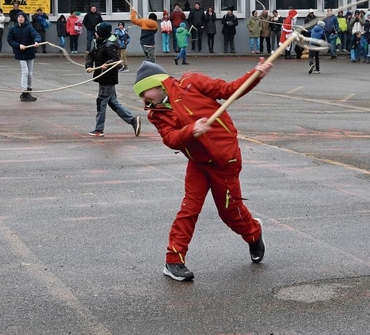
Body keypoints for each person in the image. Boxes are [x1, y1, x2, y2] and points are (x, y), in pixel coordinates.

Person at [132, 57, 272, 281]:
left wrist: (256, 75)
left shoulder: (192, 82)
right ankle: (174, 260)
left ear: (156, 86)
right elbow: (171, 139)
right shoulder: (156, 114)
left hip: (225, 161)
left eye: (144, 93)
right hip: (198, 163)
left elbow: (229, 90)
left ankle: (253, 233)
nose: (143, 99)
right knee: (189, 209)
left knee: (230, 213)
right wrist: (191, 130)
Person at [85, 22, 141, 137]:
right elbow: (90, 55)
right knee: (112, 102)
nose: (95, 34)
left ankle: (99, 129)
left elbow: (115, 59)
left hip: (108, 78)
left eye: (97, 32)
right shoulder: (98, 43)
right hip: (101, 76)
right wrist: (89, 65)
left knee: (101, 101)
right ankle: (133, 120)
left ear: (101, 33)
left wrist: (107, 64)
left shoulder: (110, 45)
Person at [7, 11, 41, 101]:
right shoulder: (13, 29)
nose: (20, 18)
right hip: (20, 53)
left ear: (25, 18)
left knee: (30, 73)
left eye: (22, 17)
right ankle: (24, 92)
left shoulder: (29, 27)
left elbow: (36, 35)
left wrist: (36, 41)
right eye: (19, 17)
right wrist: (18, 45)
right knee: (25, 71)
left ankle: (29, 90)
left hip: (30, 52)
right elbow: (10, 40)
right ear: (17, 19)